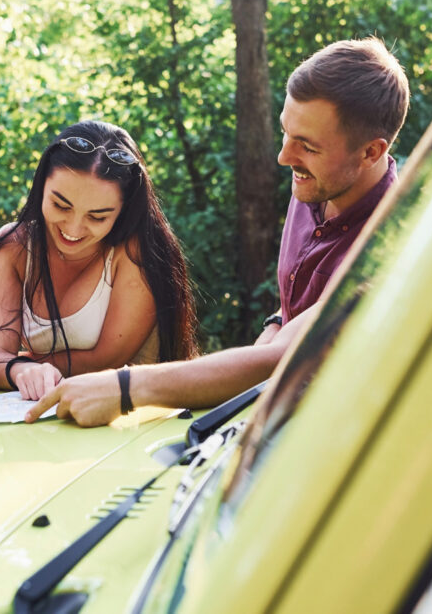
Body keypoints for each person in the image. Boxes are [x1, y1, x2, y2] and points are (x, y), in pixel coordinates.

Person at [26, 37, 409, 426]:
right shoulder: (319, 184)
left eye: (307, 146)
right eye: (285, 133)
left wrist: (124, 388)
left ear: (370, 153)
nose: (284, 157)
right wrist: (273, 329)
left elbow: (288, 357)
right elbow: (299, 310)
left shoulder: (391, 240)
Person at [0, 120, 198, 401]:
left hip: (133, 420)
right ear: (41, 185)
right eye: (60, 205)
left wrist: (24, 365)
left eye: (97, 217)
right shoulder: (13, 247)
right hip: (49, 418)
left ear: (123, 210)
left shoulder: (137, 253)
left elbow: (104, 361)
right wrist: (20, 370)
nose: (73, 228)